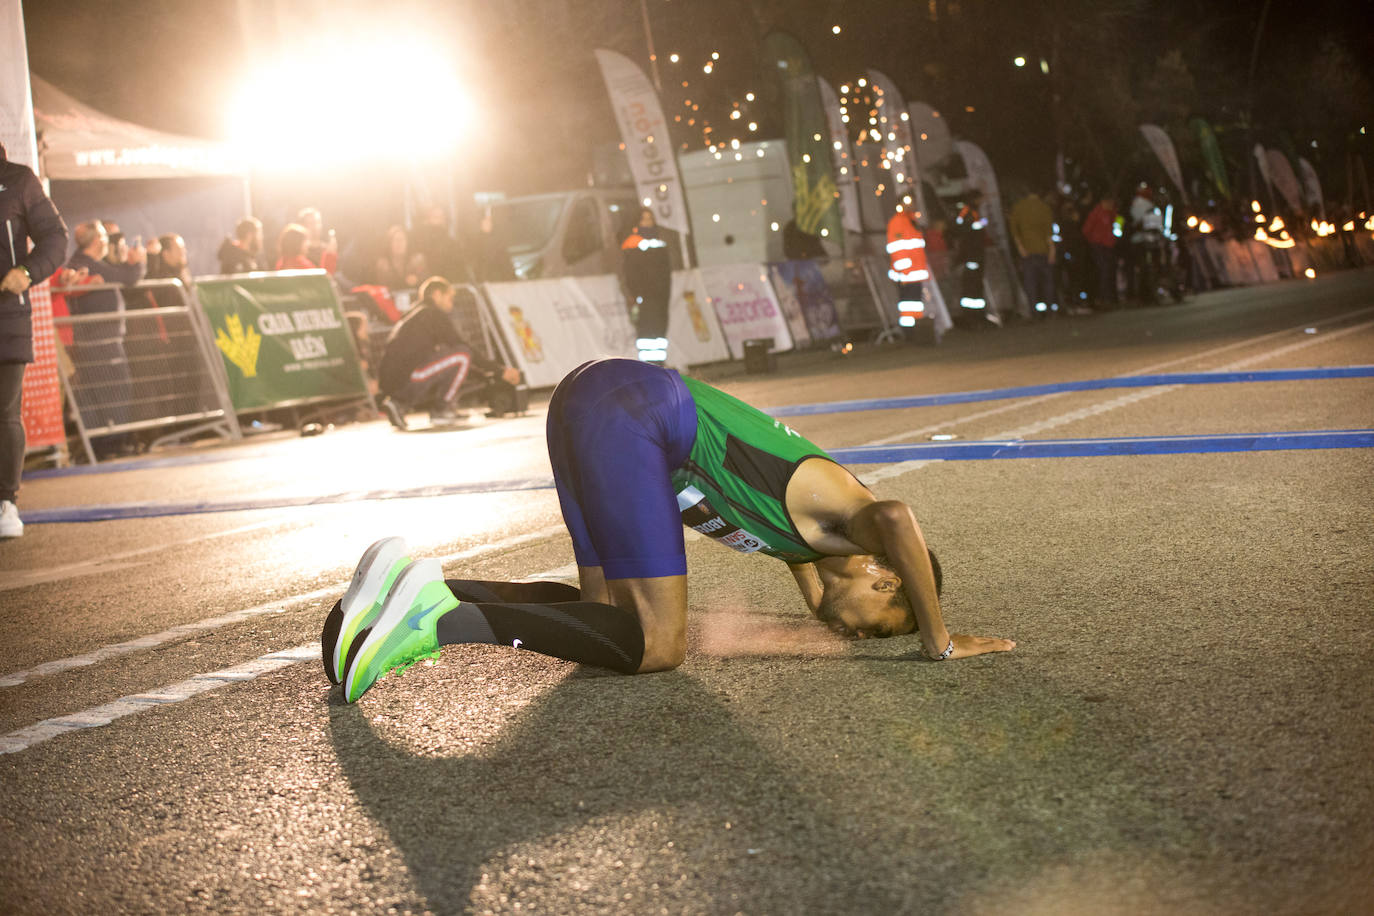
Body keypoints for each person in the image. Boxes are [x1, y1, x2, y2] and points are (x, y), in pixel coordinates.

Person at [322, 357, 1015, 702]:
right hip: (636, 415)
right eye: (882, 620)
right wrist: (939, 640)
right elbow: (898, 519)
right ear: (884, 573)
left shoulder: (809, 548)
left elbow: (806, 575)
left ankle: (406, 589)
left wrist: (824, 610)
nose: (863, 634)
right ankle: (435, 621)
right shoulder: (854, 520)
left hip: (590, 398)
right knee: (657, 646)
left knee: (604, 617)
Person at [1, 141, 69, 537]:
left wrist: (26, 273)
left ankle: (5, 502)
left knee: (4, 410)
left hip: (6, 315)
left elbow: (56, 239)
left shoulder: (18, 179)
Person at [375, 275, 521, 429]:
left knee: (455, 356)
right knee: (463, 355)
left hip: (394, 380)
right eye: (450, 298)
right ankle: (441, 409)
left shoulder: (414, 315)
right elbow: (463, 349)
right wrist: (500, 371)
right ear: (437, 294)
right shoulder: (432, 314)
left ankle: (398, 403)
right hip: (406, 377)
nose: (452, 304)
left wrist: (485, 374)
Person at [620, 208, 672, 364]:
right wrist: (636, 294)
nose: (648, 222)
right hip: (645, 296)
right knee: (647, 331)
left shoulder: (661, 242)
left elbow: (666, 270)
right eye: (644, 219)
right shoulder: (633, 243)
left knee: (659, 330)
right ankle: (648, 365)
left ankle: (659, 363)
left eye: (650, 219)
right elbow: (630, 273)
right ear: (638, 222)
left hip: (661, 295)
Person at [1009, 189, 1057, 316]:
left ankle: (1033, 311)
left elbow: (1014, 231)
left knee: (1030, 282)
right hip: (1043, 250)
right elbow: (1049, 232)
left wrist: (1020, 248)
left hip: (1027, 251)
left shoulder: (1018, 207)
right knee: (1047, 282)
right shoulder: (1044, 207)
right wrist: (1052, 251)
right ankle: (1050, 310)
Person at [885, 204, 930, 328]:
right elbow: (896, 247)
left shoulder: (912, 220)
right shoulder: (898, 222)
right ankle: (910, 331)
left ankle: (917, 329)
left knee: (914, 304)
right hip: (907, 273)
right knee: (908, 305)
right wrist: (904, 270)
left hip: (915, 272)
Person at [1081, 194, 1119, 309]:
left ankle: (1109, 297)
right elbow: (1086, 230)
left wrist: (1115, 236)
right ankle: (1102, 298)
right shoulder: (1096, 213)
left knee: (1109, 271)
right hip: (1099, 246)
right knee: (1103, 271)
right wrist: (1094, 241)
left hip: (1110, 246)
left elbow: (1118, 225)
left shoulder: (1113, 213)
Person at [372, 225, 426, 290]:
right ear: (389, 243)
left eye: (402, 240)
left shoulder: (418, 260)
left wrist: (417, 279)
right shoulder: (382, 264)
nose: (399, 243)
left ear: (407, 242)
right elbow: (378, 286)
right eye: (396, 240)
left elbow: (428, 280)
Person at [296, 207, 339, 273]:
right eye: (311, 223)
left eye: (317, 222)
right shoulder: (298, 252)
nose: (315, 226)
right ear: (302, 225)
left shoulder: (327, 249)